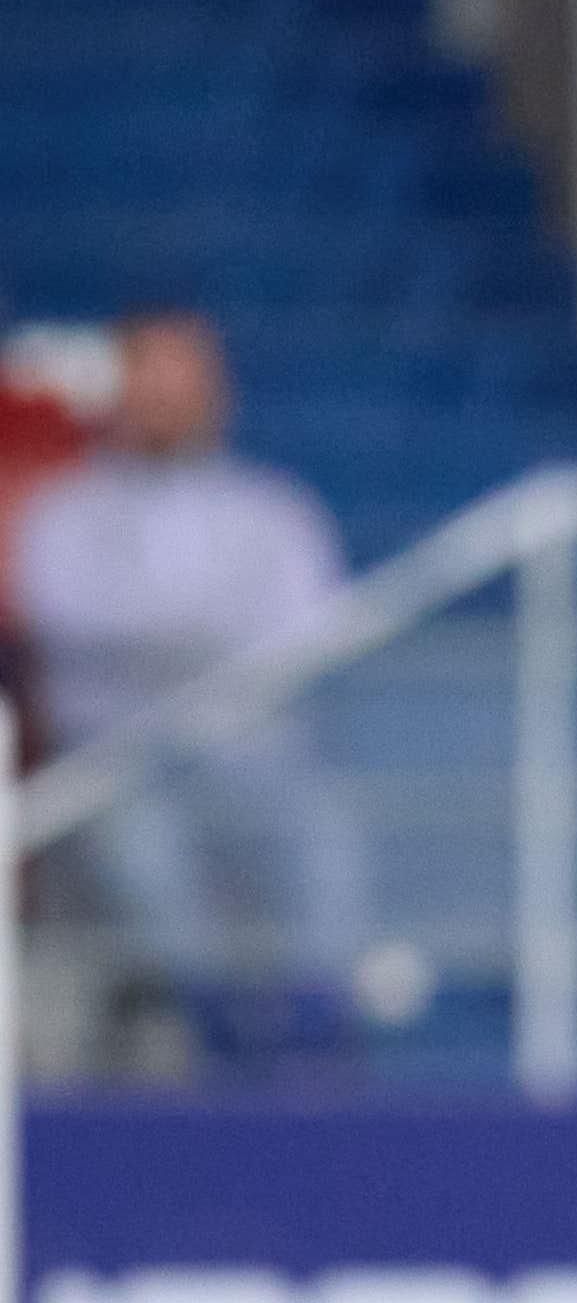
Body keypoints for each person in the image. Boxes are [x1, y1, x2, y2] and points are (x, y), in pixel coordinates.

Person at [8, 310, 377, 1070]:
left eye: (185, 384)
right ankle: (219, 1026)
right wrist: (208, 631)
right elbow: (64, 611)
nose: (167, 402)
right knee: (139, 840)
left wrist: (158, 640)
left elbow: (308, 634)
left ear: (218, 394)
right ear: (121, 393)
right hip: (115, 758)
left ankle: (313, 1027)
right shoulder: (64, 513)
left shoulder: (276, 510)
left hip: (248, 752)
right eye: (153, 383)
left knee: (321, 825)